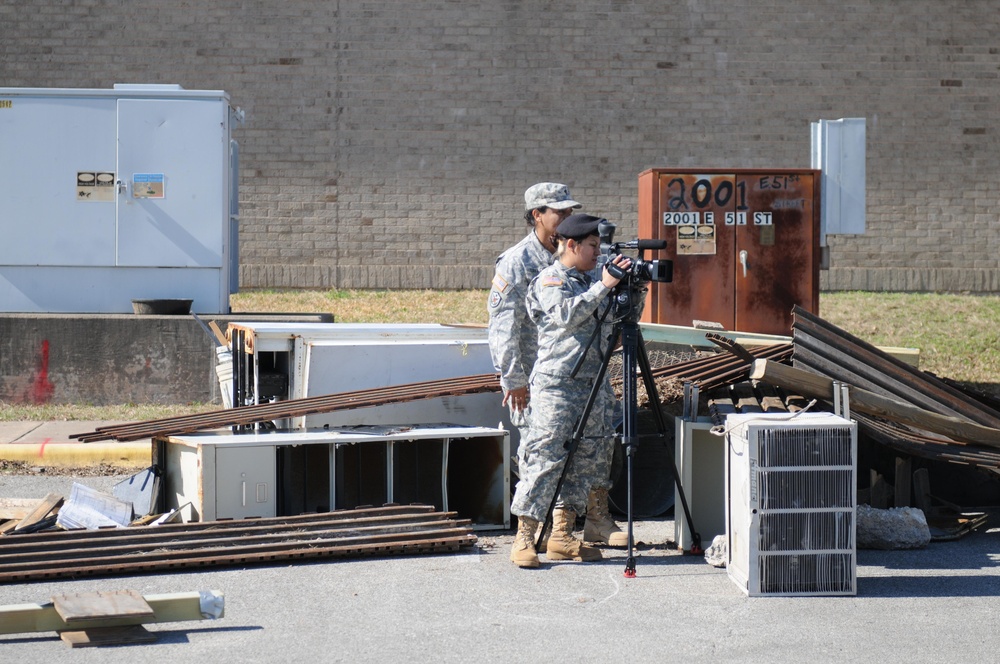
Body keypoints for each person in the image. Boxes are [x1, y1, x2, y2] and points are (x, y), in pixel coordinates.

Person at [508, 213, 632, 568]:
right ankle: (525, 538)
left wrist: (629, 290)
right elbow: (566, 315)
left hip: (593, 384)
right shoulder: (551, 279)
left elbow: (616, 326)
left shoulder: (594, 278)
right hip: (558, 386)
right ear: (572, 245)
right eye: (593, 246)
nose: (599, 253)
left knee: (587, 461)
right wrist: (604, 286)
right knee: (545, 460)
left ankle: (562, 535)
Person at [487, 182, 580, 474]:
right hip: (532, 380)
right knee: (539, 455)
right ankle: (534, 519)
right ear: (537, 214)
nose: (567, 220)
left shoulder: (574, 255)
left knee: (575, 455)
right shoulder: (517, 262)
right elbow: (503, 328)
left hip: (569, 375)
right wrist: (514, 379)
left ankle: (566, 518)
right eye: (560, 213)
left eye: (570, 213)